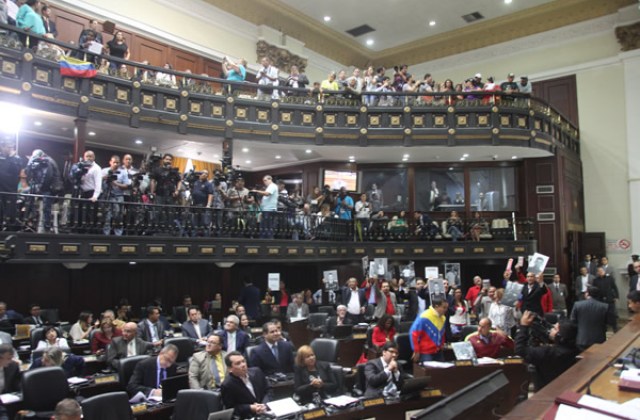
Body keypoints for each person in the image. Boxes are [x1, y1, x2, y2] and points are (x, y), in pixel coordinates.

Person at [515, 310, 579, 391]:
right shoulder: (575, 350)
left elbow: (520, 349)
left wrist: (523, 326)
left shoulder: (548, 352)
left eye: (555, 329)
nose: (551, 330)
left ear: (559, 336)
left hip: (546, 392)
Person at [221, 351, 271, 419]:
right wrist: (250, 407)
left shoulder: (257, 372)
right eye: (238, 363)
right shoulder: (227, 385)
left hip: (266, 411)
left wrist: (264, 404)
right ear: (230, 369)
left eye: (243, 361)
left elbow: (268, 390)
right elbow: (231, 408)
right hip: (247, 416)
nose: (243, 365)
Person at [570, 286, 608, 351]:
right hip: (599, 339)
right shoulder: (604, 306)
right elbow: (607, 322)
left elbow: (572, 321)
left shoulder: (578, 305)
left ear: (587, 293)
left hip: (582, 338)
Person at [410, 297, 448, 362]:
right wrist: (416, 350)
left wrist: (442, 344)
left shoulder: (443, 318)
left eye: (446, 308)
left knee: (442, 371)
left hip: (438, 350)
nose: (446, 310)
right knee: (428, 371)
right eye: (444, 307)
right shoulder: (424, 316)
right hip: (425, 351)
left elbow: (442, 333)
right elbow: (414, 333)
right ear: (436, 306)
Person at [593, 266, 619, 332]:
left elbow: (614, 287)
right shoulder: (595, 280)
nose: (600, 272)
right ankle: (603, 328)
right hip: (600, 299)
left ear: (604, 271)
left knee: (612, 314)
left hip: (609, 299)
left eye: (602, 271)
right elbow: (594, 290)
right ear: (597, 272)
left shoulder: (610, 278)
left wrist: (616, 297)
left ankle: (614, 327)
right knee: (601, 315)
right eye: (599, 271)